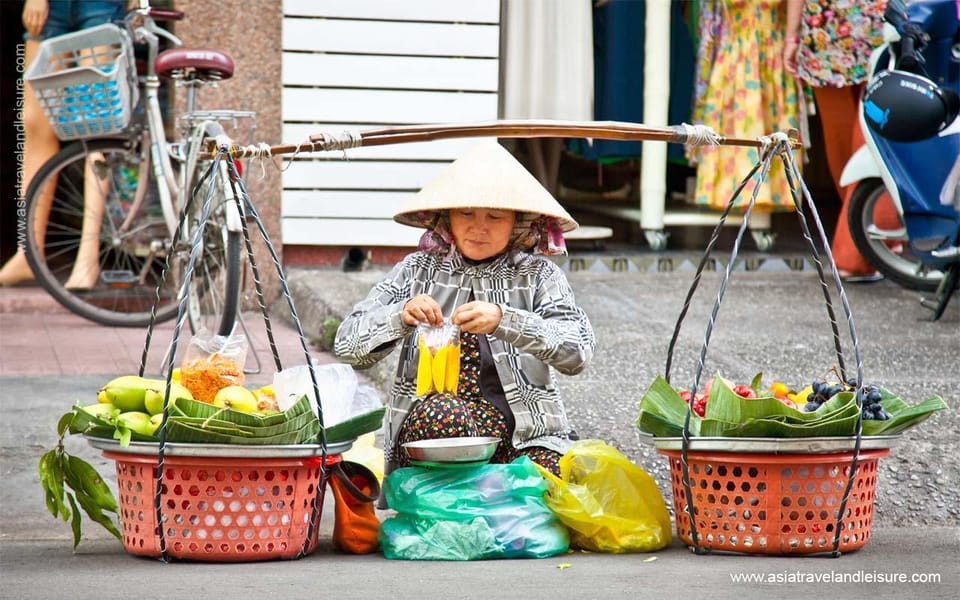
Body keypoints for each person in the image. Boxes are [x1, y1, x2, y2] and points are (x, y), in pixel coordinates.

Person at [334, 141, 596, 480]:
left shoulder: (538, 275)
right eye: (466, 214)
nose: (479, 227)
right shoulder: (417, 270)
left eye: (495, 216)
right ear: (447, 220)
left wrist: (505, 320)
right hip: (438, 430)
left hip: (524, 435)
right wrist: (400, 315)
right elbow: (347, 345)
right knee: (442, 413)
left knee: (549, 478)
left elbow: (579, 351)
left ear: (517, 223)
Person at [0, 0, 126, 288]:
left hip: (102, 5)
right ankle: (27, 251)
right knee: (35, 125)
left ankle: (87, 257)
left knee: (95, 123)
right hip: (50, 7)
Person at [784, 0, 897, 282]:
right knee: (871, 139)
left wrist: (791, 35)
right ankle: (871, 240)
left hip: (827, 30)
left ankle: (865, 245)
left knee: (846, 145)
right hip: (873, 27)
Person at [687, 0, 803, 214]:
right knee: (737, 123)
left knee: (755, 124)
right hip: (737, 52)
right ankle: (735, 192)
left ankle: (762, 193)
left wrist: (791, 39)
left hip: (765, 52)